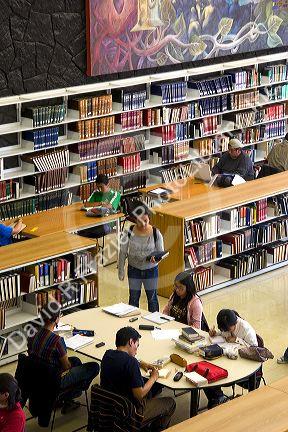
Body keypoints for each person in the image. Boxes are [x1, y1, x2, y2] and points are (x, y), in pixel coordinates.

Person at [27, 302, 99, 414]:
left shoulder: (33, 334)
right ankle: (68, 395)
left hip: (38, 376)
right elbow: (67, 366)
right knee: (94, 366)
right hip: (54, 380)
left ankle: (67, 398)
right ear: (56, 319)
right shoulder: (57, 341)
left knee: (76, 360)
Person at [101, 326, 176, 431]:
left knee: (151, 390)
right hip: (129, 412)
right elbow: (139, 395)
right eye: (137, 345)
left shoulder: (107, 355)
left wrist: (141, 363)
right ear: (131, 342)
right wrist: (154, 378)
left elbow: (124, 359)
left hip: (109, 406)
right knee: (170, 403)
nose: (136, 351)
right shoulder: (131, 363)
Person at [205, 309, 258, 408]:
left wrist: (237, 339)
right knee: (207, 371)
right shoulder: (226, 327)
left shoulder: (246, 329)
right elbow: (222, 333)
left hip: (242, 364)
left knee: (215, 373)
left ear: (236, 322)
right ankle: (218, 398)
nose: (227, 331)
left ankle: (217, 398)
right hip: (227, 358)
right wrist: (215, 333)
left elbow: (254, 348)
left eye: (229, 329)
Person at [118, 205, 164, 312]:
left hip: (151, 270)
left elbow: (161, 253)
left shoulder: (156, 233)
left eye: (145, 221)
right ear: (135, 220)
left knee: (152, 299)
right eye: (139, 221)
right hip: (134, 270)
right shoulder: (128, 232)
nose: (143, 224)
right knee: (133, 298)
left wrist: (156, 259)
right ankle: (132, 323)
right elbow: (123, 252)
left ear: (149, 219)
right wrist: (121, 270)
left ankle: (155, 323)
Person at [78, 174, 121, 238]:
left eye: (101, 187)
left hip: (108, 223)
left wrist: (96, 205)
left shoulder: (115, 194)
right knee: (81, 229)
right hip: (94, 220)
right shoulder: (96, 192)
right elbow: (86, 204)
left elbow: (109, 206)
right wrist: (100, 203)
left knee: (83, 233)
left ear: (108, 184)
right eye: (98, 187)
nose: (99, 189)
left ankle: (90, 244)